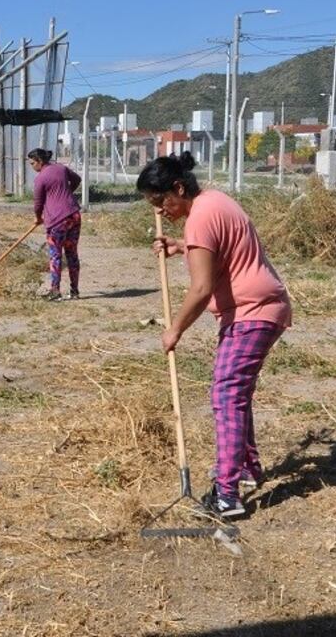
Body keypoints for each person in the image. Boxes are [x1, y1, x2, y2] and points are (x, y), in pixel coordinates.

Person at [137, 152, 292, 519]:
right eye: (154, 206)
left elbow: (202, 287)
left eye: (162, 201)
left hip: (253, 312)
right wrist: (180, 247)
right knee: (236, 394)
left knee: (226, 394)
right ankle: (247, 469)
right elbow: (218, 253)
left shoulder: (201, 217)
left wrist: (174, 329)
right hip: (257, 309)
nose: (160, 211)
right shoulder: (213, 202)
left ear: (178, 188)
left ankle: (227, 495)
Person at [29, 147, 82, 301]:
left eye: (32, 163)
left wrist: (38, 218)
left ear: (39, 161)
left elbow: (38, 203)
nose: (32, 167)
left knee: (55, 256)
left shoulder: (41, 178)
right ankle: (75, 291)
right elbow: (77, 179)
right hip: (74, 215)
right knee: (72, 254)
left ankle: (55, 291)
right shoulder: (61, 168)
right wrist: (67, 193)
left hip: (57, 221)